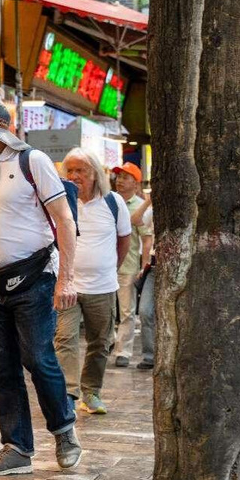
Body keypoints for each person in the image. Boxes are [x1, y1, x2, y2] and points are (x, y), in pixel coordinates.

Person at [0, 98, 81, 477]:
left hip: (35, 276)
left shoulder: (31, 162)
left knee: (38, 358)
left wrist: (66, 278)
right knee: (2, 367)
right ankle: (17, 447)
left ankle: (64, 431)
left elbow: (64, 222)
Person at [53, 149, 131, 415]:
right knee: (65, 338)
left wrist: (110, 268)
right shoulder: (60, 202)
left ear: (95, 174)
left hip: (103, 286)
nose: (74, 176)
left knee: (100, 341)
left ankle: (92, 391)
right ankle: (69, 394)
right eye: (70, 171)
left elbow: (124, 240)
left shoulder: (113, 202)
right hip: (68, 285)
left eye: (80, 171)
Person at [110, 163, 153, 368]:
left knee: (127, 312)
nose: (120, 180)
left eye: (126, 177)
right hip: (107, 266)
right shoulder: (108, 201)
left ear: (136, 183)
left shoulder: (140, 207)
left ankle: (123, 351)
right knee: (107, 309)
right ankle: (110, 342)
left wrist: (143, 266)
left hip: (128, 267)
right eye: (118, 176)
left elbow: (146, 240)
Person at [131, 198, 155, 370]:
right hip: (154, 268)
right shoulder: (156, 210)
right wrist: (149, 200)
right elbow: (135, 219)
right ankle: (149, 355)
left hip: (178, 267)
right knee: (145, 311)